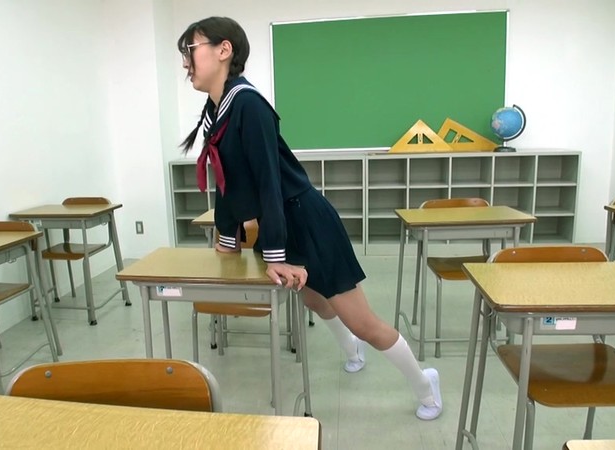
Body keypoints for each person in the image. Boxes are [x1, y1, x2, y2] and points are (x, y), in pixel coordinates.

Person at [178, 16, 442, 420]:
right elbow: (228, 182)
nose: (186, 62)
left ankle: (426, 386)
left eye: (190, 50)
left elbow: (268, 182)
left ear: (223, 50)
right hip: (280, 221)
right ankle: (352, 351)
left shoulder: (248, 105)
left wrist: (274, 254)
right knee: (315, 300)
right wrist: (228, 239)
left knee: (363, 321)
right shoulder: (219, 108)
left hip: (305, 219)